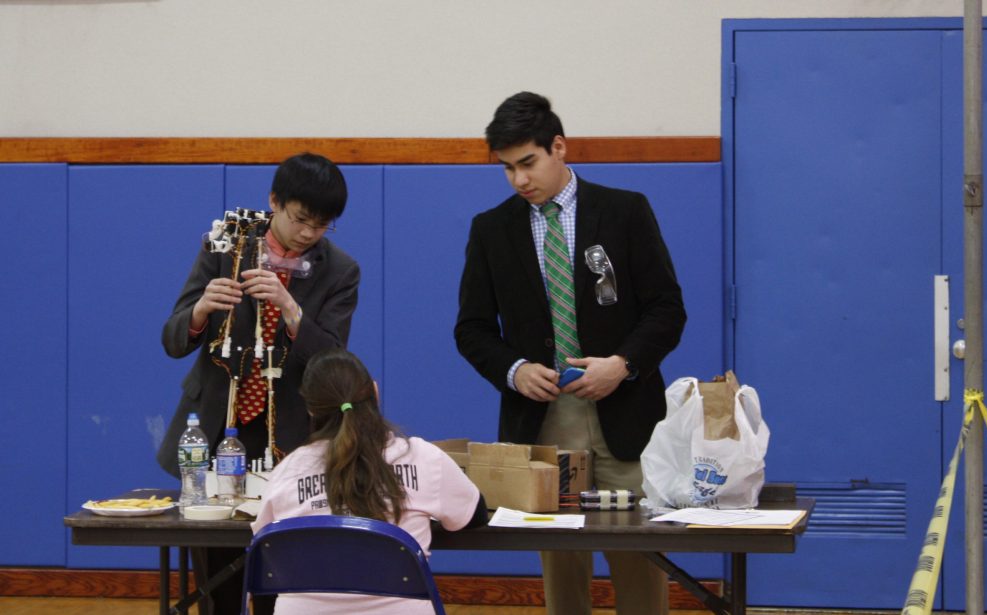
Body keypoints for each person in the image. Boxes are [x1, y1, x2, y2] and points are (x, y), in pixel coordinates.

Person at [454, 92, 686, 615]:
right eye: (507, 168)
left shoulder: (625, 211)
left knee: (640, 558)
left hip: (626, 415)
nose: (519, 179)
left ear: (558, 147)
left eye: (528, 163)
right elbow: (471, 329)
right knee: (561, 570)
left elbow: (667, 310)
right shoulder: (490, 230)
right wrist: (513, 371)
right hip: (543, 421)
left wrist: (622, 366)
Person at [158, 152, 360, 614]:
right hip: (216, 429)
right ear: (274, 202)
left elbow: (333, 361)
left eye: (323, 225)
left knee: (283, 573)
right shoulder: (223, 245)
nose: (309, 233)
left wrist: (293, 311)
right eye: (300, 219)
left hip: (288, 433)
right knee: (217, 578)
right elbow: (172, 339)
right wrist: (201, 310)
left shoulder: (340, 270)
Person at [252, 348, 488, 614]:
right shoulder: (423, 458)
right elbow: (474, 515)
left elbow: (266, 548)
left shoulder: (287, 471)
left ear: (310, 409)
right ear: (374, 392)